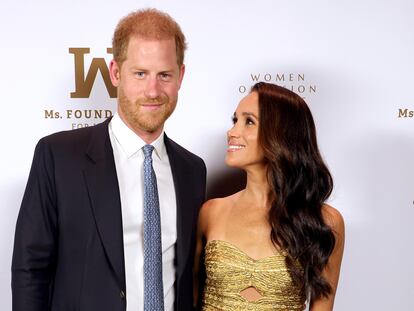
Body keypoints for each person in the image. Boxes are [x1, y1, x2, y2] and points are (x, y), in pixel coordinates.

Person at [12, 8, 206, 311]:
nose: (153, 90)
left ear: (181, 76)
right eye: (140, 73)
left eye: (164, 75)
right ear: (115, 72)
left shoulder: (192, 170)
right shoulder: (59, 156)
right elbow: (30, 270)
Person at [194, 82, 345, 310]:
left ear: (281, 135)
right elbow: (190, 298)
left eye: (249, 122)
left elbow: (323, 305)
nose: (232, 131)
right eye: (235, 120)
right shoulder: (211, 212)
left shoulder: (325, 221)